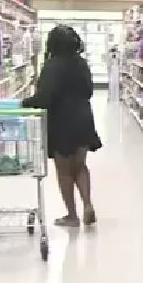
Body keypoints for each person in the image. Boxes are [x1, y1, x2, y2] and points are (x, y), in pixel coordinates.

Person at [23, 25, 102, 226]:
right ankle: (87, 204)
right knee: (80, 166)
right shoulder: (81, 63)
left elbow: (45, 98)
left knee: (64, 170)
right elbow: (89, 91)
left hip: (61, 121)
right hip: (84, 117)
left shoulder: (52, 65)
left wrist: (25, 103)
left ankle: (72, 216)